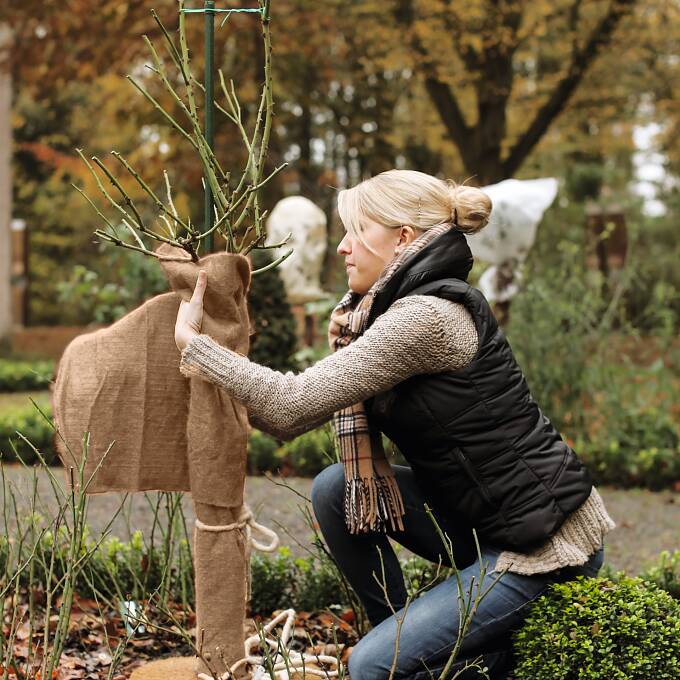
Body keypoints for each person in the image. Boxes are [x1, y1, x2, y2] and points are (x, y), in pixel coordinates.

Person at [174, 169, 615, 680]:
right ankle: (406, 643)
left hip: (542, 546)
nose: (341, 248)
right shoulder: (386, 312)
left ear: (403, 237)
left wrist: (197, 347)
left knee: (370, 666)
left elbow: (289, 407)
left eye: (355, 231)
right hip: (489, 521)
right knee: (336, 490)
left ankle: (460, 663)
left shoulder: (426, 317)